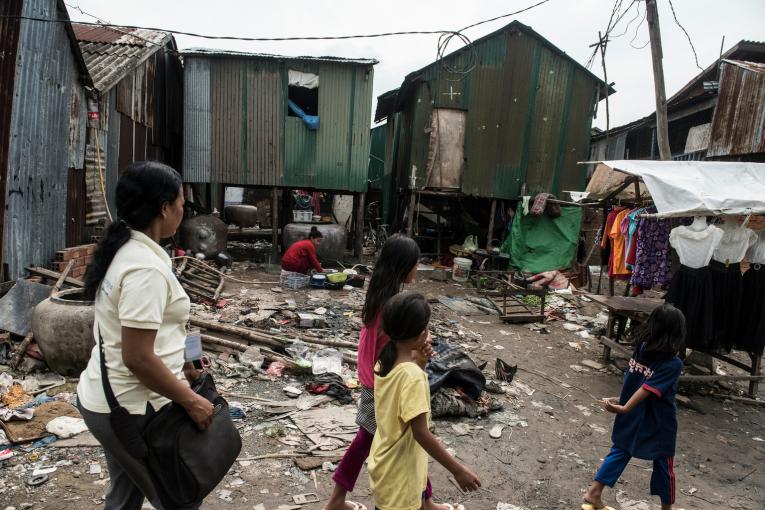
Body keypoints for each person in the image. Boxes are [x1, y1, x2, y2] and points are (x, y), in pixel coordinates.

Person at [77, 161, 213, 510]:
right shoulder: (144, 268)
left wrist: (182, 364)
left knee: (124, 496)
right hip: (130, 406)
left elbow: (141, 334)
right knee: (177, 497)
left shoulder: (130, 251)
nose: (185, 209)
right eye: (182, 201)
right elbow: (137, 356)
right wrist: (190, 399)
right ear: (164, 207)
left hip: (109, 399)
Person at [325, 235, 446, 510]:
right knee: (395, 438)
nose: (418, 268)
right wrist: (419, 355)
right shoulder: (394, 303)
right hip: (381, 381)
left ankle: (426, 502)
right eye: (416, 263)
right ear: (405, 266)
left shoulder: (380, 291)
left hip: (376, 375)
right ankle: (335, 501)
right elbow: (395, 351)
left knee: (405, 439)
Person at [369, 292, 481, 510]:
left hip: (387, 459)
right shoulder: (412, 377)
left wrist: (421, 362)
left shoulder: (384, 359)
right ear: (421, 334)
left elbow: (405, 400)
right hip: (400, 472)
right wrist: (457, 470)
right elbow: (420, 432)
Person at [582, 304, 686, 510]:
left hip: (635, 412)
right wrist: (624, 406)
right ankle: (667, 508)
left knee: (621, 449)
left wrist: (623, 402)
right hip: (659, 421)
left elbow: (636, 379)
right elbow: (647, 388)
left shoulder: (642, 348)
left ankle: (594, 492)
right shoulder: (673, 364)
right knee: (665, 463)